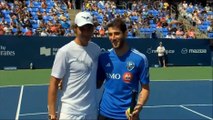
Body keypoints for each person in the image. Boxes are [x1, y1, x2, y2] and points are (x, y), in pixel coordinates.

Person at [48, 11, 101, 120]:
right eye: (82, 29)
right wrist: (52, 113)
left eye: (89, 28)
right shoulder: (65, 52)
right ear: (75, 29)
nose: (86, 32)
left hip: (91, 112)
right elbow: (54, 82)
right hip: (69, 113)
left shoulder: (96, 50)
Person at [97, 18, 150, 120]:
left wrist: (138, 107)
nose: (113, 38)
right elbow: (96, 83)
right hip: (104, 113)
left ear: (125, 33)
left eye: (117, 34)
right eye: (110, 34)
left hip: (127, 116)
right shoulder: (103, 57)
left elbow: (145, 89)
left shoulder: (140, 59)